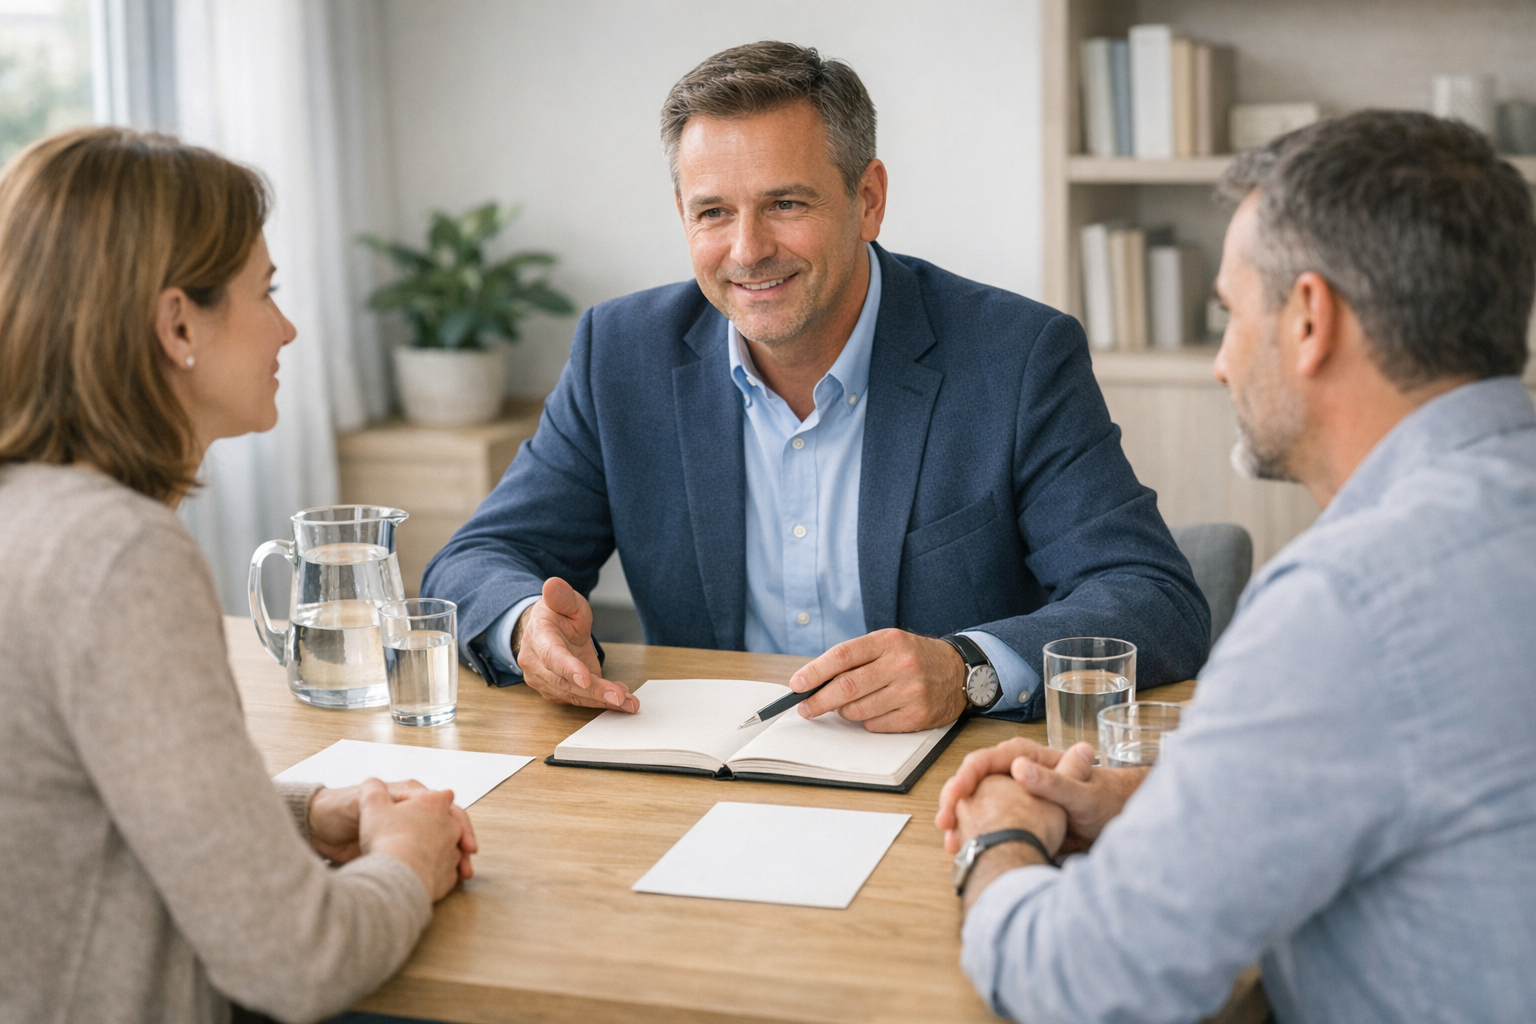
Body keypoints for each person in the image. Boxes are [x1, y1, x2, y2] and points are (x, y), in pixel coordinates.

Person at [935, 109, 1536, 1024]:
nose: (1220, 363)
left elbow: (1083, 980)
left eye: (1230, 311)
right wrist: (1168, 802)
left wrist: (1000, 840)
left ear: (1308, 319)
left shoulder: (1347, 604)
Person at [422, 40, 1209, 733]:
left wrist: (965, 668)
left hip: (940, 784)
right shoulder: (620, 355)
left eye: (786, 204)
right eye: (713, 213)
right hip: (701, 776)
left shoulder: (1016, 357)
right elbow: (481, 558)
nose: (747, 249)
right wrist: (526, 625)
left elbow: (1152, 598)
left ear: (867, 200)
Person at [0, 127, 478, 1024]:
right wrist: (409, 860)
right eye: (266, 292)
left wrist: (309, 814)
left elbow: (90, 803)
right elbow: (297, 963)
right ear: (178, 323)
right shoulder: (117, 555)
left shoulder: (29, 516)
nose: (288, 327)